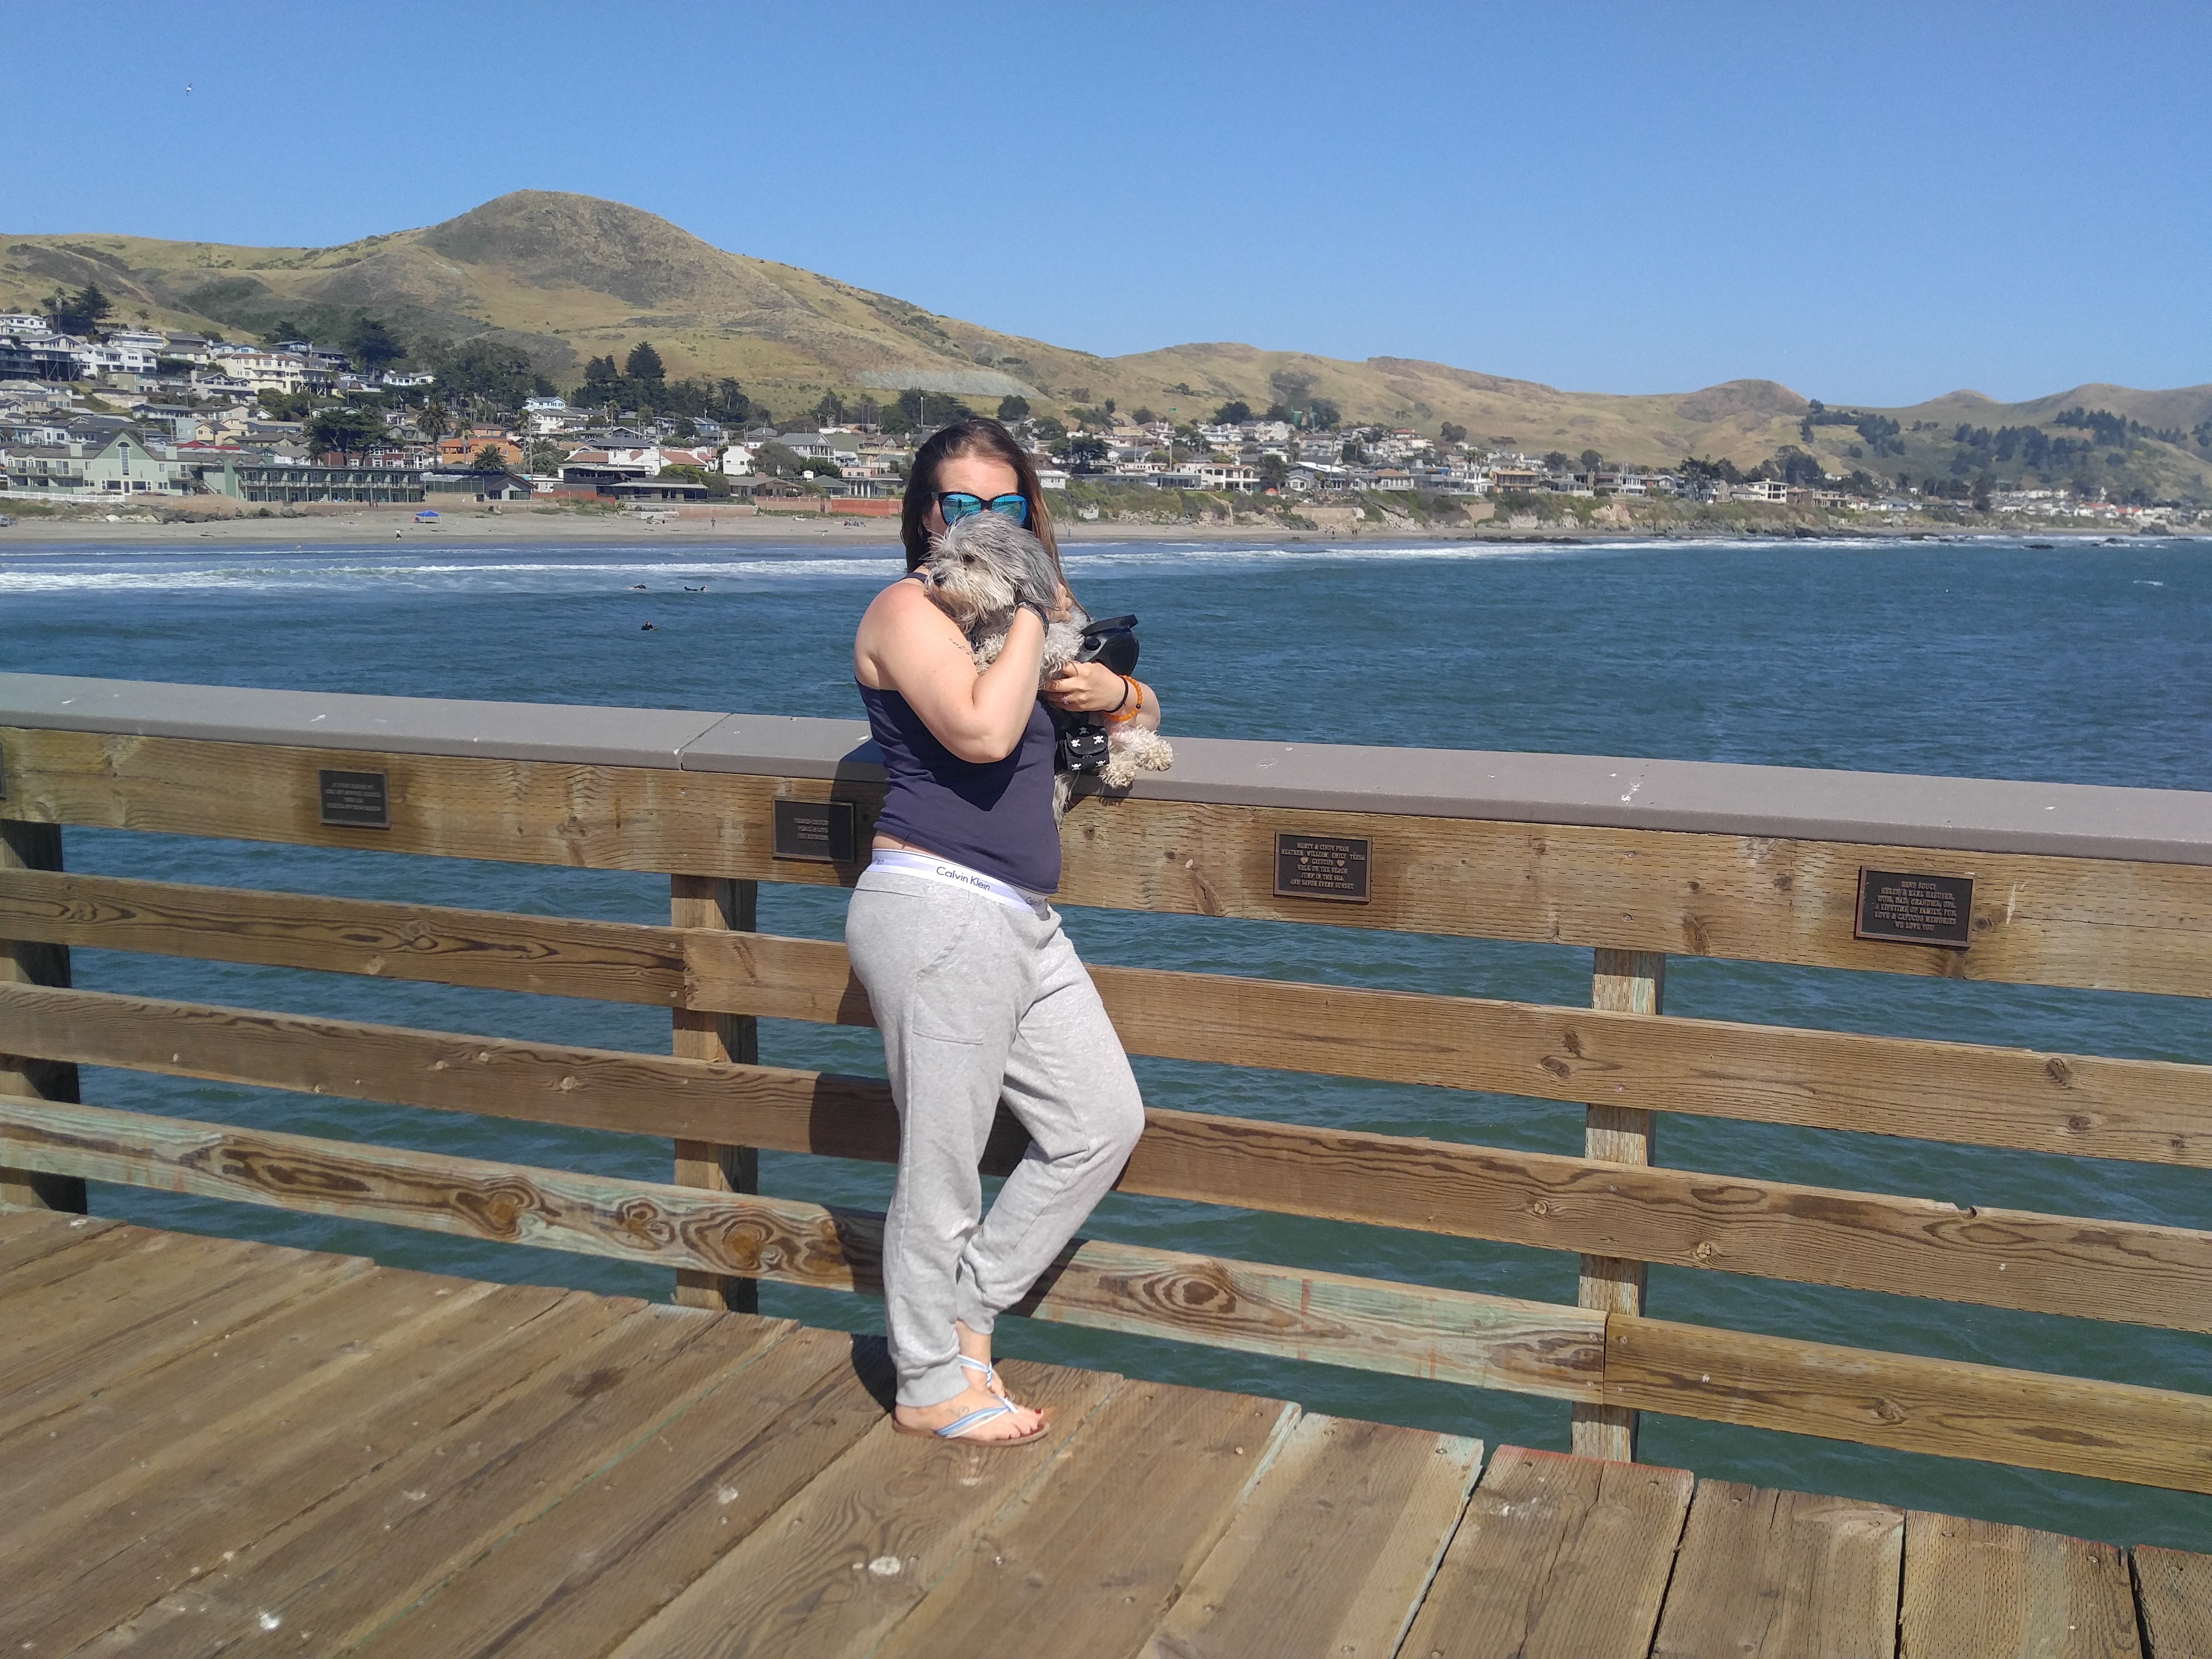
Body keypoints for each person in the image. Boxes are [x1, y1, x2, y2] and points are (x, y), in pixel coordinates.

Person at [848, 416, 1160, 1445]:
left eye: (1007, 503)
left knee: (1100, 1122)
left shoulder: (1018, 617)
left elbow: (1124, 712)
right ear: (924, 516)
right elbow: (982, 732)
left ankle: (968, 1313)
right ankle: (927, 1381)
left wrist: (1116, 689)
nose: (984, 519)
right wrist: (1031, 605)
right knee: (942, 1164)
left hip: (1022, 918)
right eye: (962, 504)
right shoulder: (910, 610)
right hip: (939, 906)